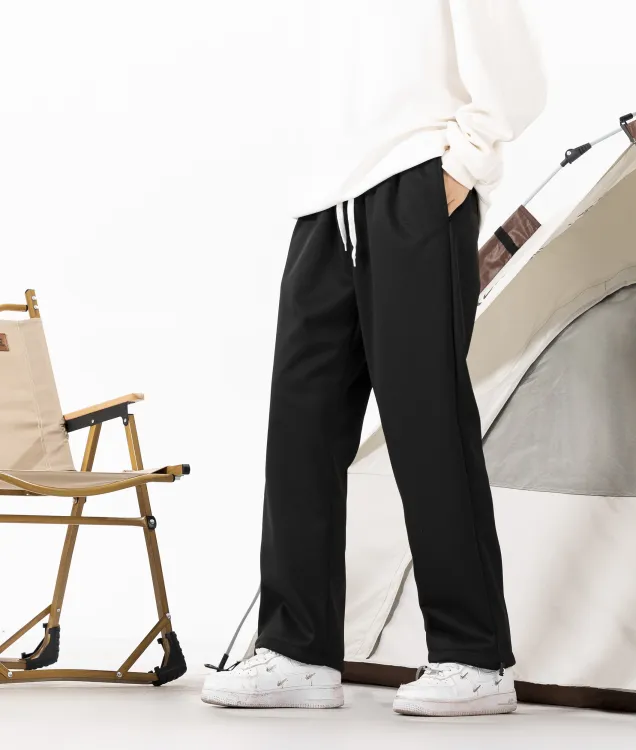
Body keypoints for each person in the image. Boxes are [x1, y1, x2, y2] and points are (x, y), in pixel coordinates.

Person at [202, 0, 546, 716]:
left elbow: (517, 77)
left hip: (414, 184)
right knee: (300, 427)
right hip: (324, 202)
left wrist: (462, 167)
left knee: (426, 423)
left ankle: (474, 656)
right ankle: (297, 651)